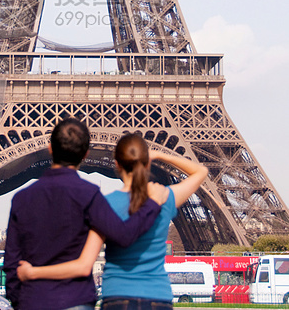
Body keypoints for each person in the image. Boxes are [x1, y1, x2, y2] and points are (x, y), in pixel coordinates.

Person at [17, 133, 208, 310]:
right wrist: (161, 155)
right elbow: (200, 171)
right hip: (158, 297)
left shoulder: (103, 204)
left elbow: (83, 265)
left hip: (118, 296)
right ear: (145, 162)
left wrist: (32, 272)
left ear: (116, 163)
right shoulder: (163, 196)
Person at [4, 119, 168, 310]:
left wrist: (20, 300)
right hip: (75, 299)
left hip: (33, 299)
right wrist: (153, 204)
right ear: (86, 154)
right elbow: (124, 235)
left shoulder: (22, 199)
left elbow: (11, 261)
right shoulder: (89, 194)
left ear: (50, 148)